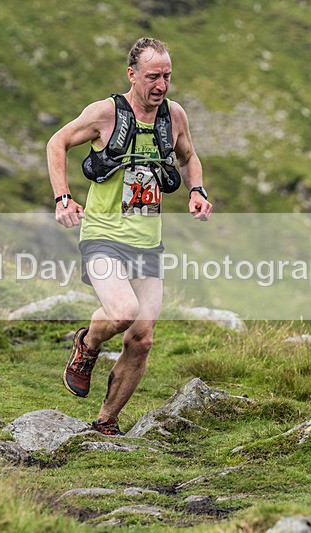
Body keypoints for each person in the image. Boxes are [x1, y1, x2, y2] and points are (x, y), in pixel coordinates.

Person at [46, 37, 213, 436]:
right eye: (153, 76)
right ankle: (87, 345)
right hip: (102, 234)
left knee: (142, 338)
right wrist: (63, 198)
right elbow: (57, 142)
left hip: (147, 241)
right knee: (122, 312)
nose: (161, 85)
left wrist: (197, 191)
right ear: (132, 74)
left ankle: (106, 420)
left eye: (167, 76)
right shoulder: (106, 113)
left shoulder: (174, 117)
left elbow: (189, 156)